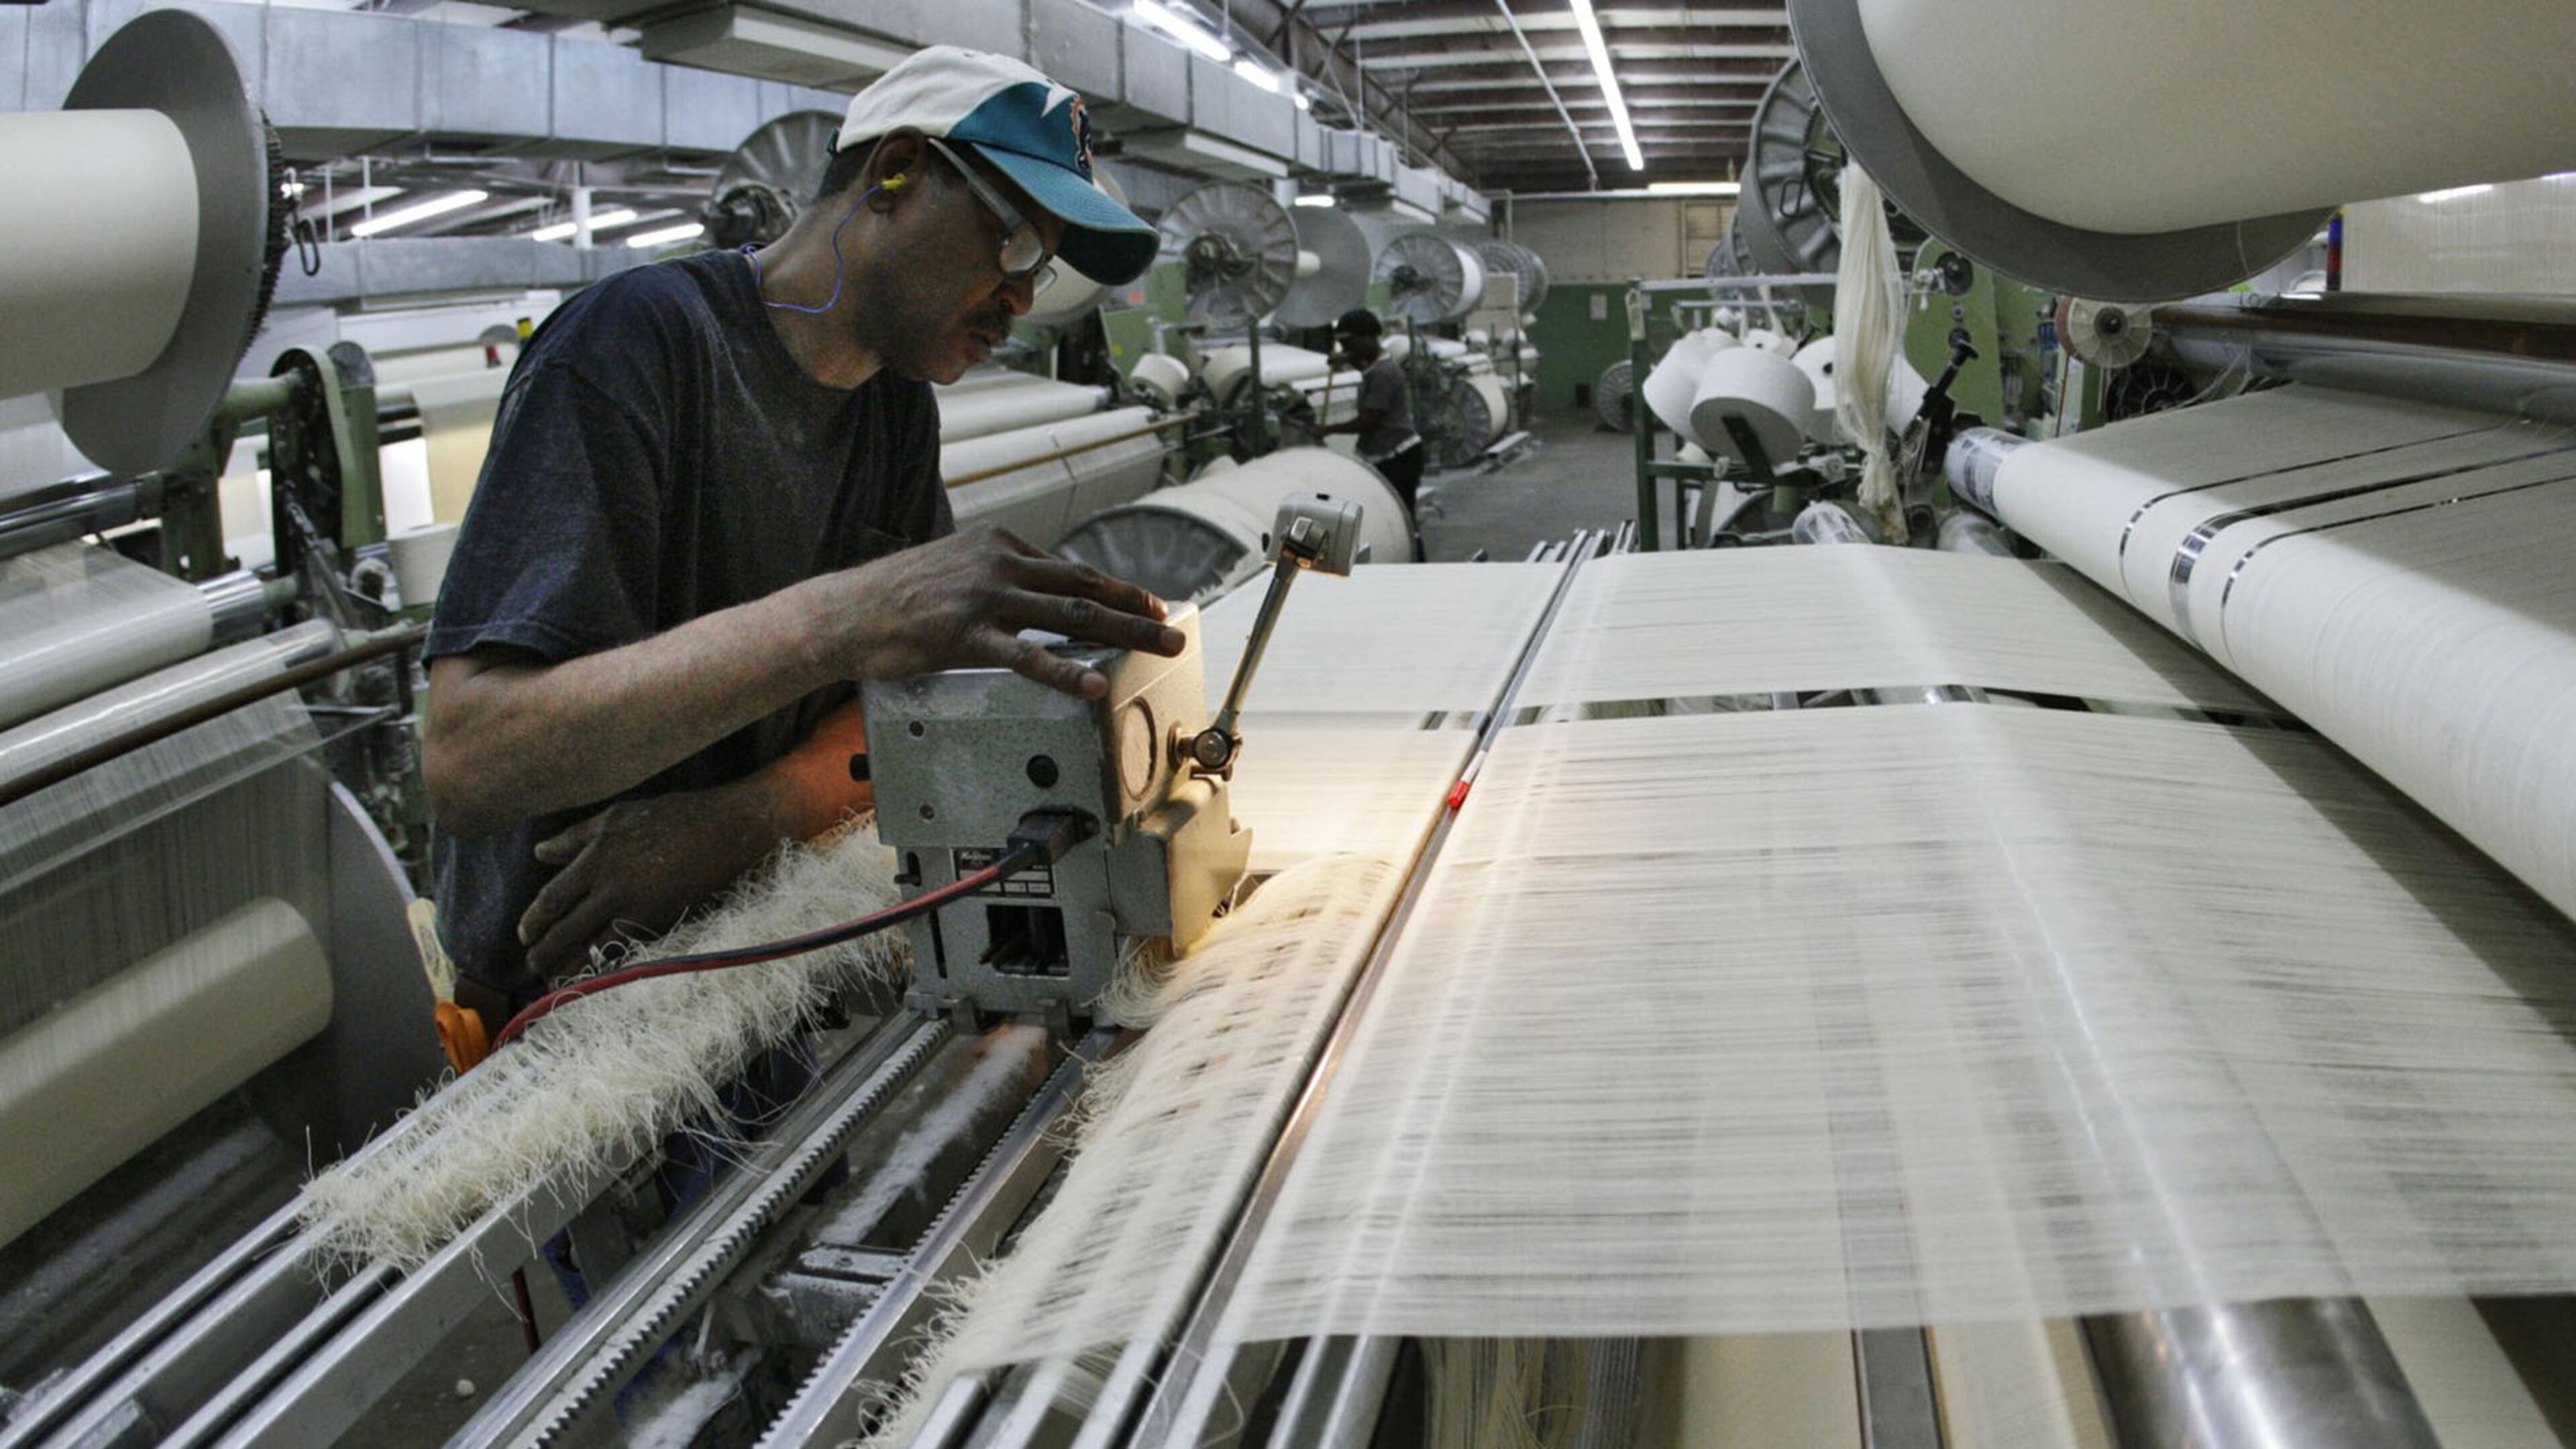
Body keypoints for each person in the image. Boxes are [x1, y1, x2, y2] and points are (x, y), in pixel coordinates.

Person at [421, 46, 1179, 1032]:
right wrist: (844, 621)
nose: (1024, 299)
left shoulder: (892, 405)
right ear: (896, 172)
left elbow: (896, 704)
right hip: (563, 1014)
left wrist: (748, 819)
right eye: (1013, 246)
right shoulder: (635, 346)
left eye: (1042, 267)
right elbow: (468, 761)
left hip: (746, 953)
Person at [1322, 308, 1426, 560]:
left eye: (1350, 344)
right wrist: (1345, 359)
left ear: (1369, 338)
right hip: (1393, 455)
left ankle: (1418, 564)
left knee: (1403, 518)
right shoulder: (1376, 368)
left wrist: (1327, 429)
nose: (1348, 350)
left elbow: (1368, 421)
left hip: (1398, 458)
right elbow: (1360, 364)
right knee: (1399, 515)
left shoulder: (1384, 374)